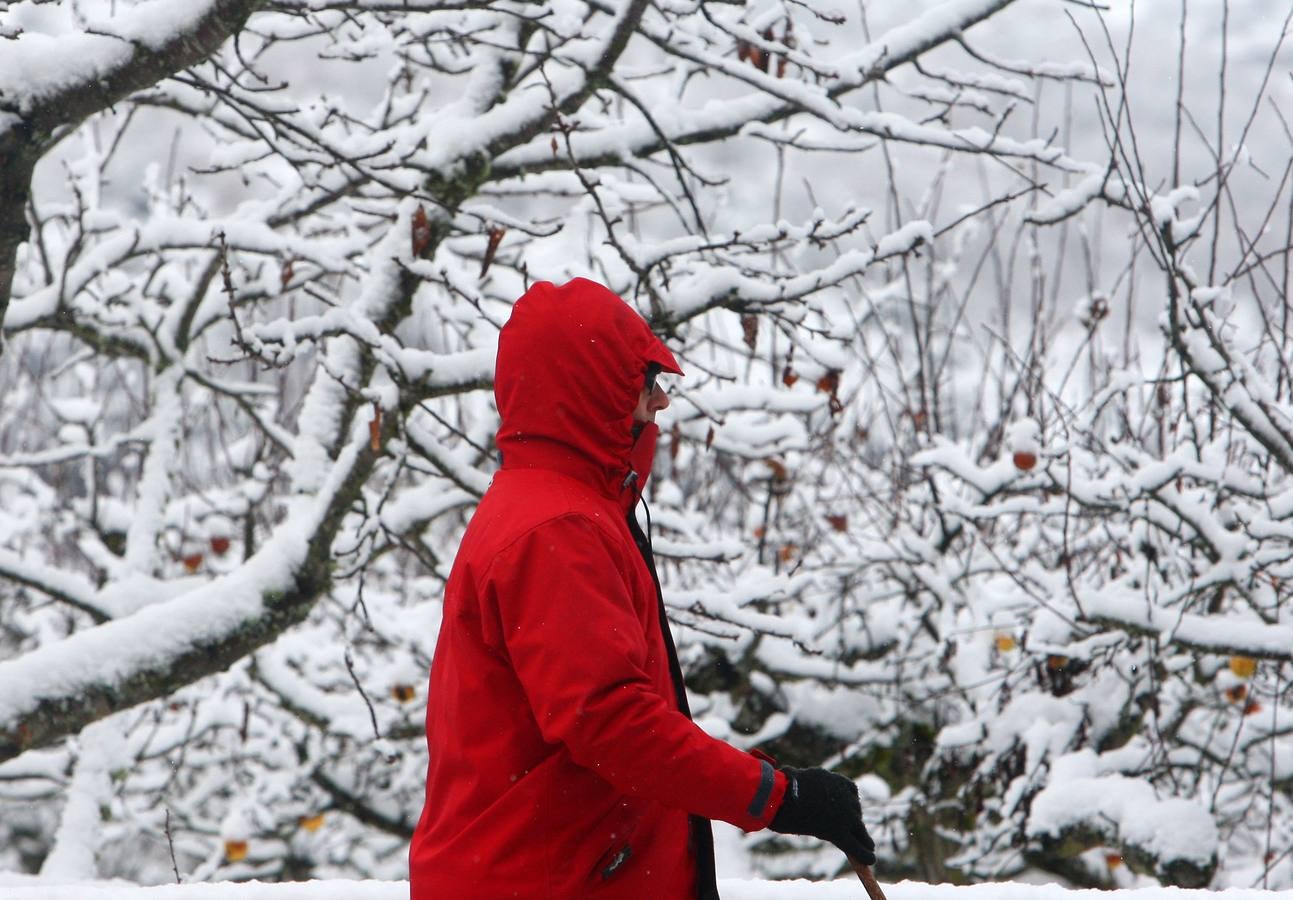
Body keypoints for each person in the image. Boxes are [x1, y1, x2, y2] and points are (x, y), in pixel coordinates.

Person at [409, 278, 875, 898]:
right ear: (589, 387)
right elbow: (614, 726)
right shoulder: (558, 530)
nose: (659, 401)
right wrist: (781, 797)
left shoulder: (551, 507)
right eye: (643, 379)